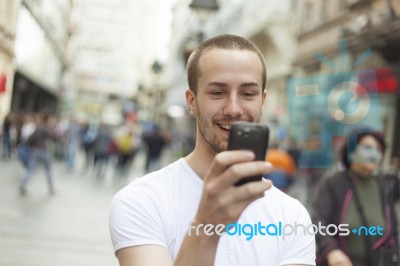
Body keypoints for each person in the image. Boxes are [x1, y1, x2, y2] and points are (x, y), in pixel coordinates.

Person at [109, 34, 315, 266]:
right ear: (191, 100)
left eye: (248, 94)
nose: (234, 109)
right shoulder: (141, 201)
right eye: (217, 92)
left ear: (263, 100)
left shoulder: (291, 215)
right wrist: (207, 225)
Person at [312, 127, 399, 266]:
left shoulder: (385, 184)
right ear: (351, 152)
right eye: (368, 148)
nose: (374, 153)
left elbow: (392, 231)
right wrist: (331, 250)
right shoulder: (333, 183)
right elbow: (317, 221)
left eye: (378, 149)